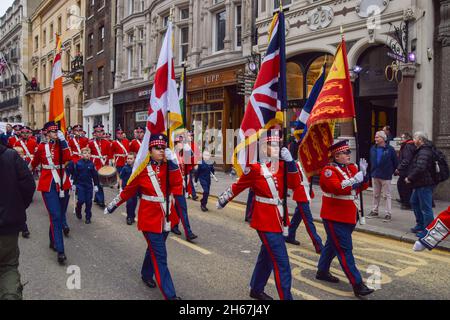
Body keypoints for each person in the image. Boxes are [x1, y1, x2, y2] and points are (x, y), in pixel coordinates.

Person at [216, 130, 300, 300]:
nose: (277, 148)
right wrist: (223, 199)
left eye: (278, 144)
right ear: (263, 147)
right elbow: (239, 185)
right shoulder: (255, 169)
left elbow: (295, 185)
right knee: (282, 263)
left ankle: (256, 288)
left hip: (280, 219)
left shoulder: (284, 165)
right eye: (272, 144)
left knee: (267, 256)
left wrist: (291, 162)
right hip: (264, 220)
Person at [105, 134, 184, 300]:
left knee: (154, 249)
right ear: (150, 151)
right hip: (149, 218)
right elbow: (128, 191)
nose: (161, 151)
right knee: (161, 255)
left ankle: (146, 273)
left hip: (167, 217)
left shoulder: (169, 167)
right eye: (157, 148)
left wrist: (174, 163)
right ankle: (170, 295)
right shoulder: (142, 170)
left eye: (163, 148)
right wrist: (113, 204)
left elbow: (177, 185)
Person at [316, 140, 374, 297]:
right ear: (336, 156)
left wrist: (364, 176)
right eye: (345, 152)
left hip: (350, 215)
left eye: (349, 152)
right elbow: (338, 188)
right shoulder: (328, 170)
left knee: (332, 244)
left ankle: (322, 271)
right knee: (344, 250)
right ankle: (357, 283)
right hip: (334, 216)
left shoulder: (352, 168)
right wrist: (356, 179)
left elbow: (362, 188)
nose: (349, 154)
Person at [30, 122, 72, 264]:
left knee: (59, 215)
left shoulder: (62, 145)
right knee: (55, 215)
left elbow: (68, 158)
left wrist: (64, 141)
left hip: (63, 183)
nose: (56, 134)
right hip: (48, 185)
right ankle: (61, 251)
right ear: (47, 134)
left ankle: (52, 240)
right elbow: (34, 163)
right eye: (53, 132)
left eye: (57, 131)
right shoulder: (41, 147)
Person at [0, 141, 36, 300]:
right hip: (7, 226)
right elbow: (28, 185)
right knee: (8, 268)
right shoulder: (10, 155)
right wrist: (18, 207)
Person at [285, 160, 323, 253]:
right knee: (308, 220)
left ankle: (290, 235)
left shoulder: (308, 163)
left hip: (306, 190)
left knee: (298, 215)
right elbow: (291, 181)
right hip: (300, 192)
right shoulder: (295, 164)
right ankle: (318, 244)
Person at [406, 131, 435, 235]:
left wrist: (409, 177)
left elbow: (420, 167)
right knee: (414, 202)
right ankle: (421, 224)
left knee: (426, 208)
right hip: (419, 183)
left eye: (415, 138)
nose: (413, 140)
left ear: (420, 140)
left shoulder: (424, 151)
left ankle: (428, 230)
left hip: (424, 183)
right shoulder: (421, 150)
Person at [367, 131, 398, 222]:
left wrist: (393, 171)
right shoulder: (373, 148)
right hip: (375, 174)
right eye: (375, 137)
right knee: (375, 194)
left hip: (386, 175)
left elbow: (395, 162)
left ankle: (388, 213)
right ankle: (374, 211)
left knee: (386, 195)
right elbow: (371, 160)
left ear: (383, 139)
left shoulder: (390, 149)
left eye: (377, 137)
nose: (375, 139)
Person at [69, 148, 100, 224]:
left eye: (88, 153)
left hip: (89, 185)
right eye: (85, 153)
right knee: (81, 200)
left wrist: (96, 185)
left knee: (89, 202)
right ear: (81, 155)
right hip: (80, 185)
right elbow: (75, 174)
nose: (87, 154)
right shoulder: (78, 163)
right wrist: (73, 184)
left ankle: (88, 216)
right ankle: (78, 209)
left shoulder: (91, 164)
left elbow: (95, 175)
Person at [89, 124, 111, 208]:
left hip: (103, 164)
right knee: (98, 183)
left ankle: (97, 198)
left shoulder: (107, 143)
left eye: (101, 131)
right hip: (95, 164)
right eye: (98, 131)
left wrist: (108, 166)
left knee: (99, 183)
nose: (99, 133)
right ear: (95, 133)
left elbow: (109, 155)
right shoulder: (90, 143)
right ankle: (101, 200)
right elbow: (88, 154)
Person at [395, 133, 416, 210]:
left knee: (403, 186)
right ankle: (405, 201)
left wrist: (399, 168)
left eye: (402, 138)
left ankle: (407, 203)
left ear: (407, 138)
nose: (401, 139)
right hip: (408, 170)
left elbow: (406, 160)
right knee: (403, 185)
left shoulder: (408, 146)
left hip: (407, 170)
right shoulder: (408, 145)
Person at [119, 153, 138, 225]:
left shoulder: (136, 168)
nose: (129, 160)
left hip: (134, 189)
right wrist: (120, 188)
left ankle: (132, 215)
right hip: (127, 189)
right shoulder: (125, 168)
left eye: (131, 159)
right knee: (129, 203)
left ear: (134, 159)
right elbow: (121, 178)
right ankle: (129, 217)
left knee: (134, 203)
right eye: (128, 158)